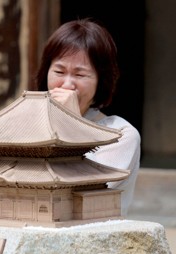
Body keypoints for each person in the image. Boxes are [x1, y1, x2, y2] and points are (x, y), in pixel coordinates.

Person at [35, 18, 141, 216]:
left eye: (80, 75)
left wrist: (71, 122)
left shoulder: (120, 134)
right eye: (59, 71)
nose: (67, 85)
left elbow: (83, 190)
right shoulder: (28, 125)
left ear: (100, 81)